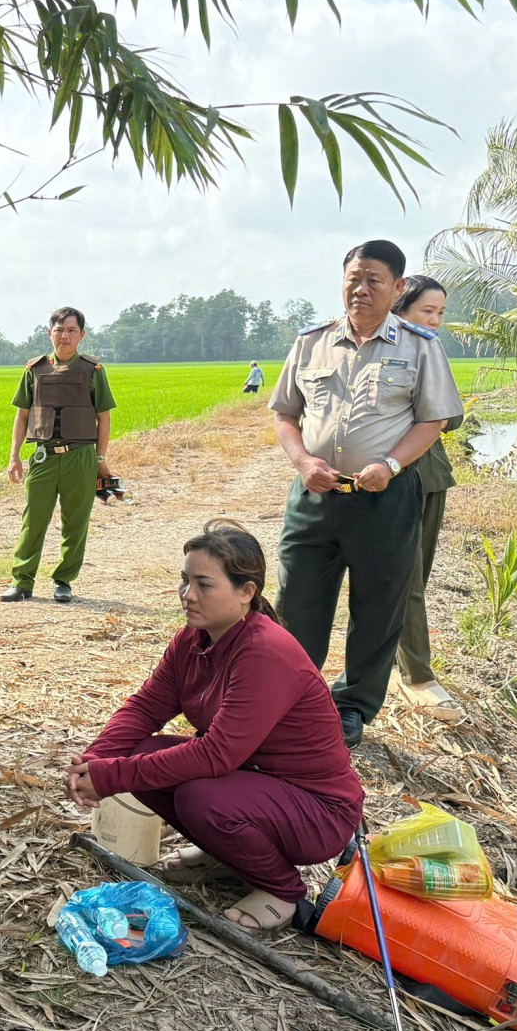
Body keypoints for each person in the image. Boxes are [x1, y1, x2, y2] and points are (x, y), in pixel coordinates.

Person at [67, 521, 364, 931]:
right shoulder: (193, 639)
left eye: (204, 585)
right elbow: (146, 707)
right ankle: (229, 858)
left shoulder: (265, 652)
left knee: (199, 796)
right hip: (255, 785)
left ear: (247, 592)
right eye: (185, 581)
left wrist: (110, 776)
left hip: (317, 809)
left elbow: (217, 753)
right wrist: (96, 760)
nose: (188, 595)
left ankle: (283, 891)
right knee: (142, 754)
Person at [268, 240, 464, 748]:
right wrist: (303, 461)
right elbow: (285, 414)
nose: (361, 288)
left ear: (398, 288)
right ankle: (289, 699)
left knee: (378, 605)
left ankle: (352, 705)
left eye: (374, 280)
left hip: (384, 497)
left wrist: (391, 464)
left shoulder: (420, 346)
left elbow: (433, 420)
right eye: (353, 277)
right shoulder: (311, 342)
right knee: (297, 601)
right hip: (313, 494)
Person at [388, 276, 466, 724]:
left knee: (418, 574)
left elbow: (451, 416)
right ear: (399, 307)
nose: (435, 321)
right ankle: (417, 677)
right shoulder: (385, 350)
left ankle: (402, 667)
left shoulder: (429, 349)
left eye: (439, 313)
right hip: (391, 478)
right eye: (426, 311)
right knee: (407, 578)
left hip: (430, 476)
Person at [1, 306, 115, 603]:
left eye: (71, 331)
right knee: (33, 520)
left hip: (81, 457)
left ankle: (64, 581)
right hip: (43, 456)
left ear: (82, 335)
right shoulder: (34, 370)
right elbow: (22, 415)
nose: (64, 336)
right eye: (59, 330)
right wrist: (14, 456)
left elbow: (104, 417)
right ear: (49, 333)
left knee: (75, 521)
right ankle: (22, 581)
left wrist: (100, 459)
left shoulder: (93, 371)